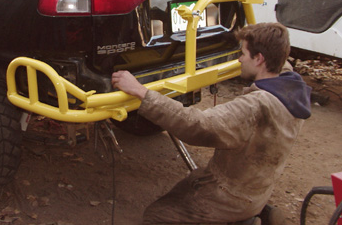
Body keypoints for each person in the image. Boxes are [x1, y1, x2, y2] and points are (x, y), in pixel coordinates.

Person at [111, 23, 311, 225]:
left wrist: (141, 92)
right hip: (255, 191)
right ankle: (251, 213)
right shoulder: (292, 87)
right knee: (183, 191)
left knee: (156, 216)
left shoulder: (256, 107)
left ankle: (239, 220)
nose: (239, 59)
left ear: (259, 59)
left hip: (228, 196)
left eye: (243, 54)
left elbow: (199, 125)